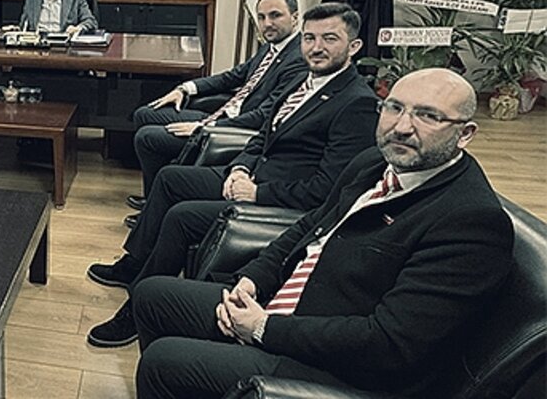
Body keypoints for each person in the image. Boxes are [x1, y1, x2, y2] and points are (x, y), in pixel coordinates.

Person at [133, 68, 514, 399]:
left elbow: (390, 344)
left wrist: (263, 328)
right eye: (394, 108)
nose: (401, 127)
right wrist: (253, 279)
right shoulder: (376, 162)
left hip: (344, 368)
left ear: (465, 134)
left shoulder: (471, 221)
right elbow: (309, 226)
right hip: (294, 308)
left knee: (164, 362)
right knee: (153, 296)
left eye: (428, 116)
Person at [86, 3, 378, 346]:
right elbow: (263, 135)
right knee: (171, 178)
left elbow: (327, 190)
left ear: (353, 46)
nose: (316, 47)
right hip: (249, 175)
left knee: (182, 216)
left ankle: (137, 310)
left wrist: (256, 192)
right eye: (310, 38)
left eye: (329, 38)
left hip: (277, 199)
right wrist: (240, 168)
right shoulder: (305, 81)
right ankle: (136, 266)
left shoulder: (356, 103)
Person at [128, 0, 308, 210]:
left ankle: (156, 204)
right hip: (221, 114)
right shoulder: (271, 48)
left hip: (233, 130)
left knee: (147, 137)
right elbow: (232, 77)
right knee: (145, 114)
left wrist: (205, 126)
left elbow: (264, 115)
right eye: (261, 17)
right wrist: (185, 88)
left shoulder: (298, 59)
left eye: (275, 15)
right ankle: (155, 198)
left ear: (295, 17)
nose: (267, 23)